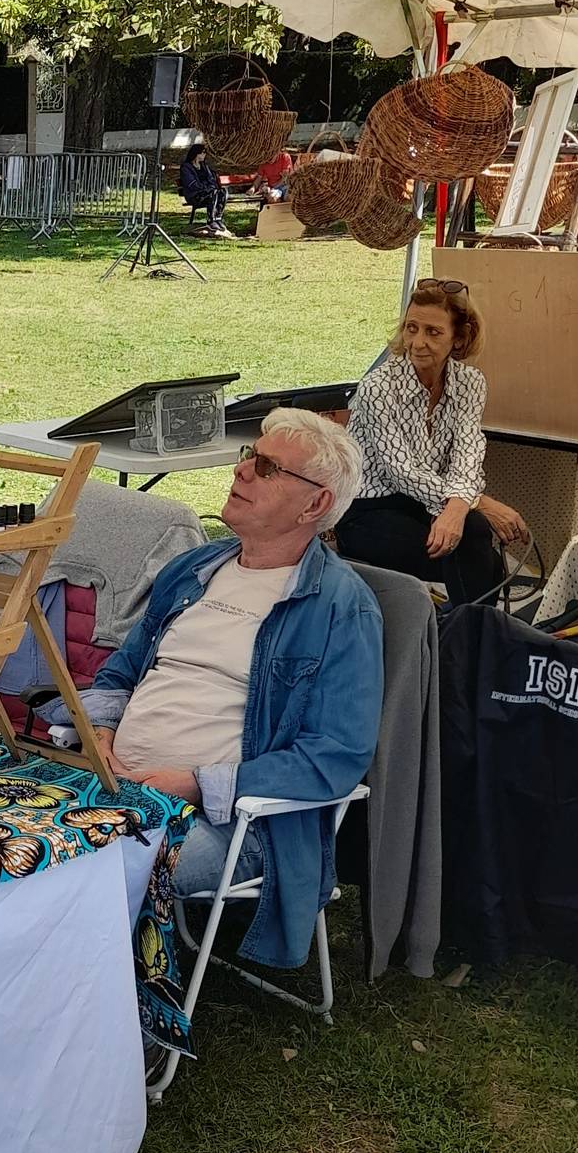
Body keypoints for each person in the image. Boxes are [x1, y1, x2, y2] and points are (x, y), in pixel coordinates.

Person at [78, 408, 383, 971]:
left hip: (236, 823)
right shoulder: (196, 568)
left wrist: (195, 784)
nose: (242, 471)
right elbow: (121, 670)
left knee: (92, 873)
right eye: (250, 455)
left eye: (267, 467)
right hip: (111, 781)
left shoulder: (340, 608)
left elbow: (335, 757)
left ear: (314, 505)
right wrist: (98, 731)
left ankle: (114, 1031)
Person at [337, 278, 528, 606]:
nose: (418, 342)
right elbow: (402, 471)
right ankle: (476, 643)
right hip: (366, 509)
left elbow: (469, 455)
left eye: (433, 332)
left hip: (428, 503)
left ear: (459, 338)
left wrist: (458, 508)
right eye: (411, 328)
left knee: (474, 540)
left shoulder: (469, 383)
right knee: (478, 555)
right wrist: (475, 504)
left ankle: (468, 641)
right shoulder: (377, 387)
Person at [178, 143, 233, 238]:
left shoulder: (204, 166)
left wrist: (211, 186)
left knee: (222, 192)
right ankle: (211, 220)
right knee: (213, 193)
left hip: (208, 192)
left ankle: (218, 218)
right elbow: (192, 184)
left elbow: (211, 179)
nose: (204, 155)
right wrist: (206, 188)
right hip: (195, 195)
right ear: (196, 154)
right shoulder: (186, 167)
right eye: (202, 153)